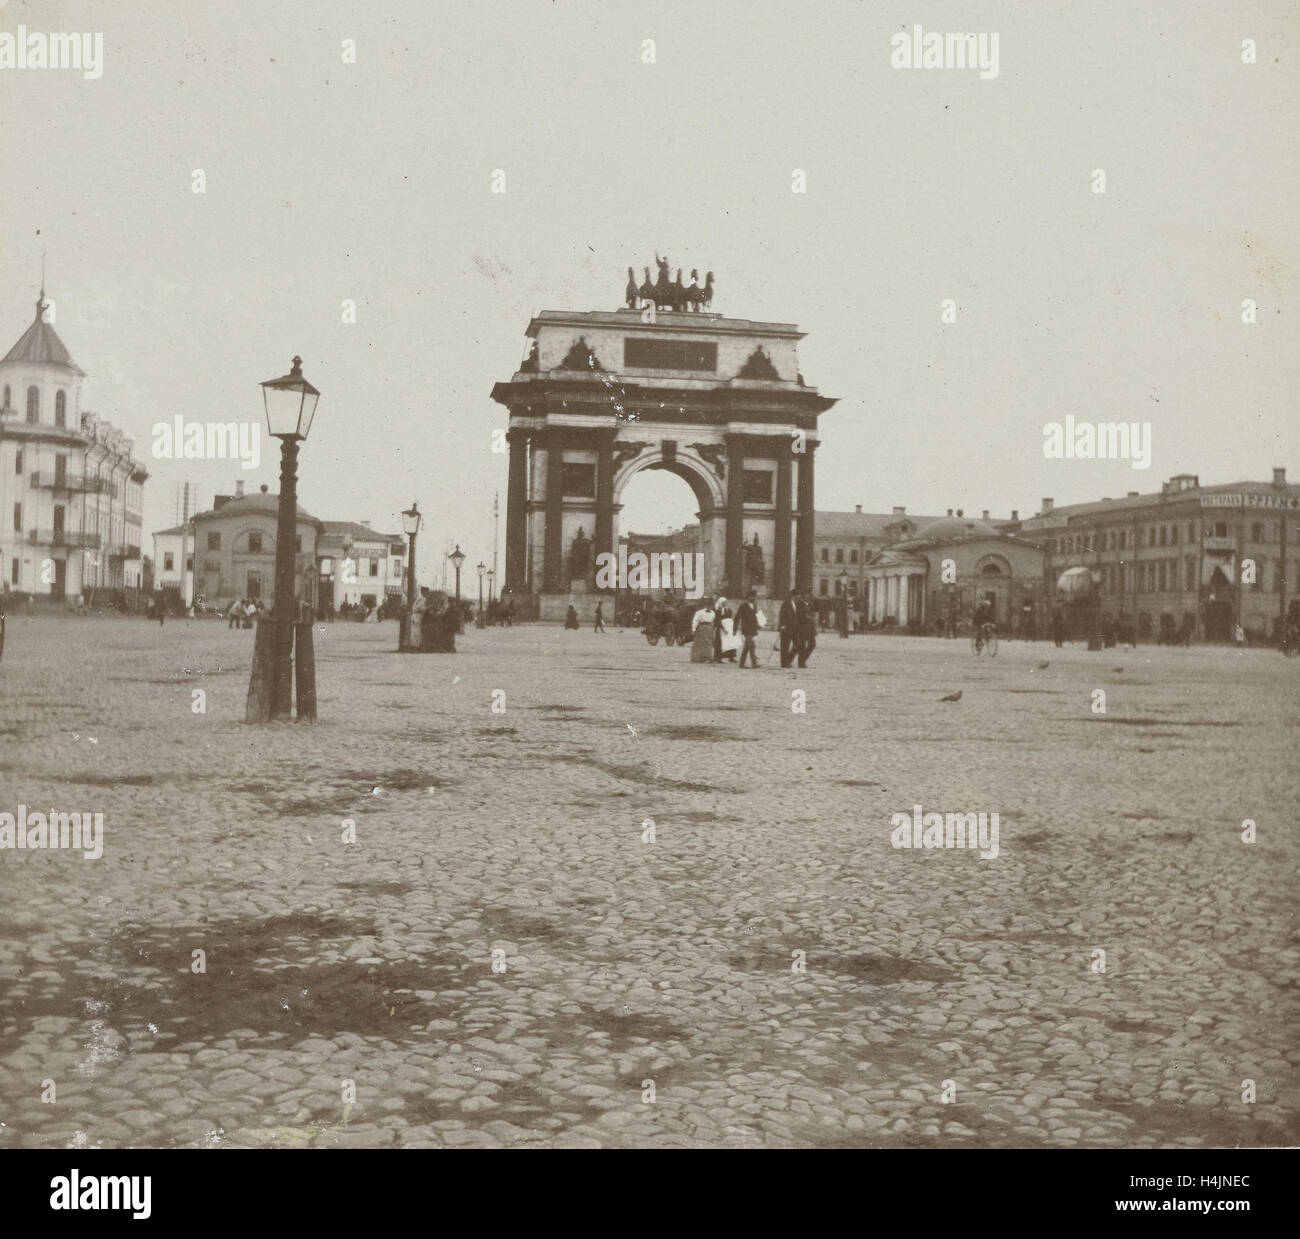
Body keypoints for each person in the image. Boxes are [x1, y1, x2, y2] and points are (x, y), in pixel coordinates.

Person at [735, 591, 760, 669]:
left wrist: (757, 625)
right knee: (751, 645)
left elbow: (755, 617)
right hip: (746, 628)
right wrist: (734, 628)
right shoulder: (743, 605)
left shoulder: (754, 605)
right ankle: (754, 663)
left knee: (747, 646)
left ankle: (741, 663)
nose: (754, 598)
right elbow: (737, 616)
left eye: (755, 596)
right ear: (748, 597)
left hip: (752, 628)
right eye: (752, 596)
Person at [690, 599, 716, 663]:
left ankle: (707, 657)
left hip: (710, 628)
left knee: (709, 642)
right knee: (700, 642)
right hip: (702, 627)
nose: (710, 607)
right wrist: (693, 629)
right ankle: (697, 658)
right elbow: (695, 620)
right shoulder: (699, 612)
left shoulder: (713, 613)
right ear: (705, 605)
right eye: (708, 605)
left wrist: (713, 628)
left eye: (711, 606)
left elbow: (713, 621)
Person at [796, 593, 817, 668]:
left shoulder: (810, 604)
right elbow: (800, 616)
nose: (810, 596)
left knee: (812, 644)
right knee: (802, 645)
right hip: (803, 628)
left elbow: (812, 615)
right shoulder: (800, 604)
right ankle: (801, 662)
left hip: (810, 628)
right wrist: (809, 617)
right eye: (807, 594)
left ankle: (802, 660)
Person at [778, 591, 798, 668]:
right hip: (786, 628)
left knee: (797, 645)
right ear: (793, 596)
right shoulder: (786, 603)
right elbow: (782, 614)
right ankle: (784, 663)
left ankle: (788, 660)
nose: (798, 597)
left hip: (794, 628)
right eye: (797, 595)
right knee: (784, 646)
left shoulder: (795, 604)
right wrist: (782, 625)